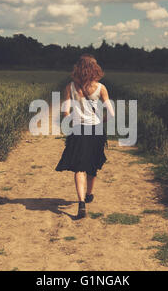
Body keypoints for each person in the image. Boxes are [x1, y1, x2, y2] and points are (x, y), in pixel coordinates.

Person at [55, 54, 115, 219]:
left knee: (78, 167)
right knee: (92, 164)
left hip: (78, 130)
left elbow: (66, 113)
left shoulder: (70, 87)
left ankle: (81, 203)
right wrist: (100, 120)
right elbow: (111, 113)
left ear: (78, 69)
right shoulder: (101, 88)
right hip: (95, 129)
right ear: (95, 69)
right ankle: (89, 194)